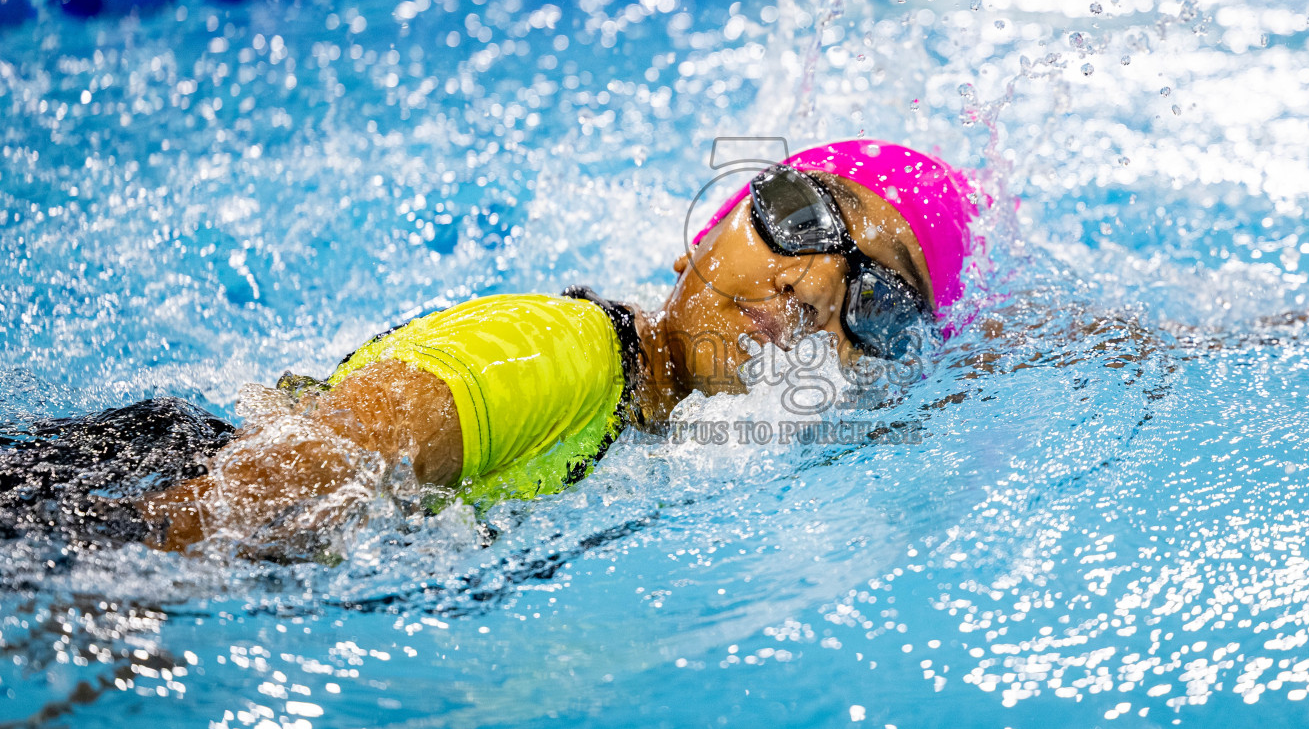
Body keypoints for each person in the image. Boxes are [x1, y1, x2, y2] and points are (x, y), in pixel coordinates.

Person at [1, 139, 980, 555]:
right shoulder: (566, 354)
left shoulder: (644, 408)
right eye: (802, 219)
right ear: (710, 230)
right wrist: (99, 632)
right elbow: (259, 489)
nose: (814, 285)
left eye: (880, 303)